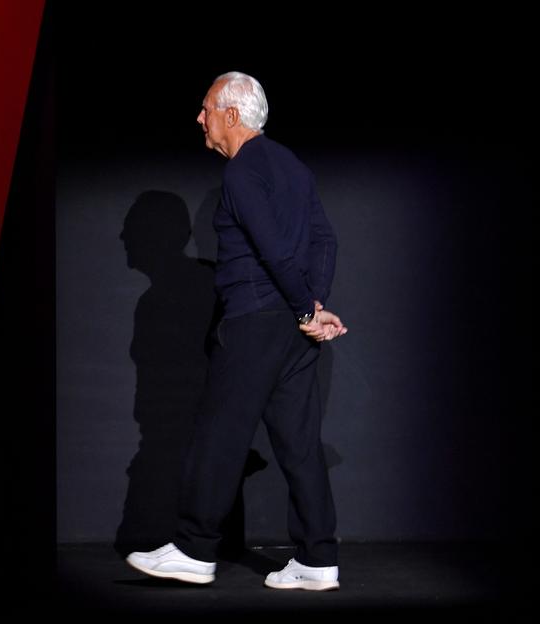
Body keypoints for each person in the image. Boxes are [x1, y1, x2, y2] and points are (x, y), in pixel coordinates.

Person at [125, 71, 347, 591]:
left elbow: (272, 249)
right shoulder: (292, 166)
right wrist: (313, 305)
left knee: (219, 435)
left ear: (231, 114)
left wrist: (305, 308)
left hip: (255, 322)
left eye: (206, 109)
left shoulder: (243, 170)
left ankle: (194, 550)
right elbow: (325, 240)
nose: (199, 118)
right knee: (299, 443)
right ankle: (318, 559)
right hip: (293, 331)